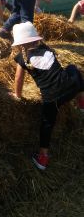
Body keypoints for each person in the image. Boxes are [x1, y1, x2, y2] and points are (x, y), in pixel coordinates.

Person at [10, 21, 84, 170]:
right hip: (71, 87)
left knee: (47, 125)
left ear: (20, 44)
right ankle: (82, 101)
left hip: (52, 99)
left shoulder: (22, 58)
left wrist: (17, 95)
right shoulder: (46, 48)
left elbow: (18, 78)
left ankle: (43, 158)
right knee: (73, 69)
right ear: (36, 38)